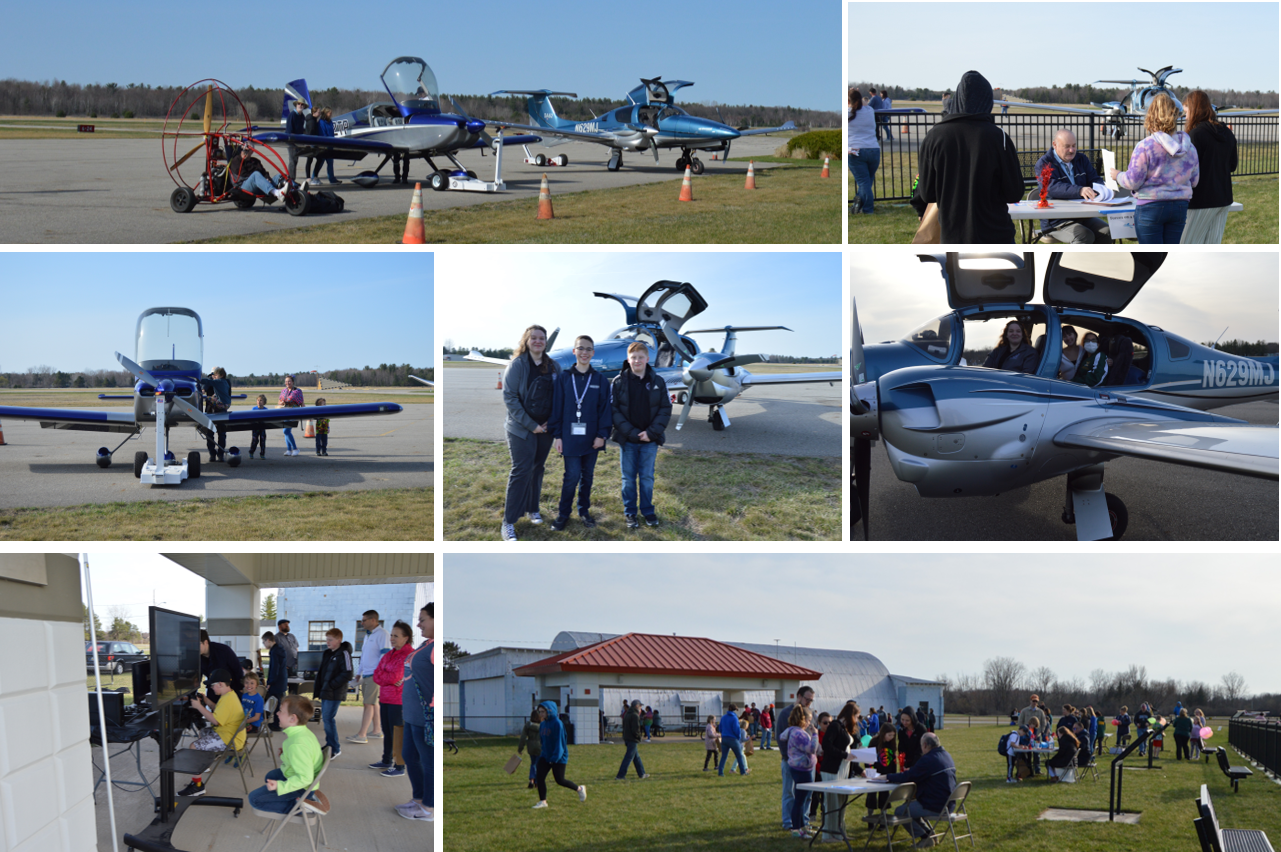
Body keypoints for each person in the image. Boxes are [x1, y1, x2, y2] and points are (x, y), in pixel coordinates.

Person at [915, 70, 1025, 243]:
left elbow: (927, 193)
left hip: (953, 235)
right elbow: (1014, 192)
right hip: (996, 235)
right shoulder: (998, 137)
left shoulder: (934, 136)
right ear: (988, 100)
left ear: (957, 99)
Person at [1108, 92, 1198, 243]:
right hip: (1180, 206)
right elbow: (1194, 181)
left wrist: (1117, 175)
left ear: (1150, 115)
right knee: (1170, 256)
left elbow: (1132, 182)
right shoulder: (1190, 148)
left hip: (1151, 206)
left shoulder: (1145, 146)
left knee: (1151, 258)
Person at [501, 325, 561, 541]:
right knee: (521, 470)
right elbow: (510, 399)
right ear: (526, 341)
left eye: (541, 338)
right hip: (520, 428)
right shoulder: (517, 366)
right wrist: (531, 425)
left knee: (538, 468)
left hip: (545, 429)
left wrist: (549, 423)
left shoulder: (554, 366)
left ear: (546, 342)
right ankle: (508, 521)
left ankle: (532, 509)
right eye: (533, 338)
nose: (538, 341)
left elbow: (560, 396)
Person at [549, 335, 611, 530]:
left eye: (588, 349)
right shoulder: (564, 378)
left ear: (593, 353)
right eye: (580, 348)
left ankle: (584, 511)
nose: (584, 352)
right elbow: (556, 408)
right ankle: (563, 513)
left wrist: (602, 435)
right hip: (569, 438)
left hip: (592, 439)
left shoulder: (600, 380)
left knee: (587, 477)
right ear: (574, 351)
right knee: (571, 476)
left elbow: (605, 411)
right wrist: (557, 436)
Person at [609, 342, 671, 529]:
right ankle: (630, 512)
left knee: (646, 478)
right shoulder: (618, 382)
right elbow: (614, 410)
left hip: (649, 440)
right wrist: (632, 433)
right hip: (628, 440)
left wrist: (651, 433)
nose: (637, 360)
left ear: (647, 359)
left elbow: (665, 408)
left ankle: (647, 511)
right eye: (633, 357)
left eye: (640, 357)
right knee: (628, 479)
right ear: (628, 359)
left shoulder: (658, 382)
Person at [247, 694, 329, 815]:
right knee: (271, 776)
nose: (277, 714)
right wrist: (286, 755)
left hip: (303, 787)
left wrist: (280, 786)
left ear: (292, 719)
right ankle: (296, 799)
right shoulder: (301, 733)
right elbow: (301, 759)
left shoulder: (297, 745)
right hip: (300, 778)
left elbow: (305, 778)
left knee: (254, 799)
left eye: (281, 711)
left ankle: (301, 807)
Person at [1033, 129, 1112, 243]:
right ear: (1054, 145)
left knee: (1107, 231)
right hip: (1056, 220)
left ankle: (1098, 261)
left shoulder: (1081, 159)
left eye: (1074, 146)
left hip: (1083, 215)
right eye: (1067, 146)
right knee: (1084, 236)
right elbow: (1051, 187)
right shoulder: (1044, 163)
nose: (1072, 150)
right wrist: (1079, 190)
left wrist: (1104, 190)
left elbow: (1094, 179)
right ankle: (1076, 261)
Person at [1180, 90, 1237, 244]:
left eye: (1187, 112)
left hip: (1201, 201)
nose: (1186, 117)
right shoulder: (1228, 133)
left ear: (1195, 109)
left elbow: (1187, 171)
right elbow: (1232, 166)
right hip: (1223, 199)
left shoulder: (1195, 135)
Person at [176, 668, 245, 797]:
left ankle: (197, 786)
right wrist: (206, 700)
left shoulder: (228, 700)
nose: (212, 688)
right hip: (229, 733)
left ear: (220, 684)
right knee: (203, 731)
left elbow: (215, 720)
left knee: (194, 746)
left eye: (212, 686)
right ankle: (202, 765)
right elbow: (217, 709)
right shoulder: (229, 695)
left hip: (229, 739)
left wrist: (199, 706)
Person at [879, 732, 957, 843]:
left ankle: (925, 838)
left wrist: (887, 776)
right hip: (949, 804)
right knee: (910, 808)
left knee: (901, 811)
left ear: (925, 745)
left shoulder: (928, 759)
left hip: (935, 805)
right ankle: (929, 834)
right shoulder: (946, 755)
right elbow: (918, 773)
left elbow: (908, 777)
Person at [370, 620, 417, 777]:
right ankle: (386, 760)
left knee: (398, 734)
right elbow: (376, 675)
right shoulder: (389, 654)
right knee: (387, 732)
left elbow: (397, 676)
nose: (392, 638)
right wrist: (388, 677)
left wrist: (388, 677)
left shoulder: (408, 655)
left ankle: (399, 766)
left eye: (396, 636)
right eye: (391, 635)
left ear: (406, 638)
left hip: (399, 701)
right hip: (385, 698)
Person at [531, 700, 586, 809]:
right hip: (546, 756)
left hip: (558, 757)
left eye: (543, 712)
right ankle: (543, 801)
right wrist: (543, 753)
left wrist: (555, 758)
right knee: (539, 777)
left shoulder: (558, 724)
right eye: (540, 712)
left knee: (560, 780)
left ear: (549, 711)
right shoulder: (542, 724)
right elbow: (543, 741)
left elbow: (560, 743)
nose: (541, 714)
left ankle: (579, 789)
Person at [348, 610, 389, 744]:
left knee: (368, 704)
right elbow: (364, 655)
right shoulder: (368, 635)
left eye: (364, 620)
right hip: (366, 673)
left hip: (374, 674)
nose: (362, 623)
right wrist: (359, 672)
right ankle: (377, 730)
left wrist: (378, 672)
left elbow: (384, 655)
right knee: (373, 703)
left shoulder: (382, 634)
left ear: (373, 620)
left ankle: (362, 734)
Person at [313, 628, 353, 759]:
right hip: (326, 691)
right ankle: (329, 744)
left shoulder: (344, 653)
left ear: (339, 640)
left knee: (328, 719)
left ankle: (335, 748)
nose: (327, 642)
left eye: (330, 640)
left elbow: (348, 674)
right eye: (327, 639)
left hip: (334, 692)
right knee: (326, 718)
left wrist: (331, 685)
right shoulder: (328, 654)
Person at [780, 705, 819, 839]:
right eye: (809, 720)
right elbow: (812, 749)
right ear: (803, 720)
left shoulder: (792, 731)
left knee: (800, 800)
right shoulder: (799, 734)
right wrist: (815, 734)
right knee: (800, 801)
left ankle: (802, 827)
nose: (810, 723)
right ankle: (796, 829)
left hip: (798, 767)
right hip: (802, 769)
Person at [847, 87, 880, 216]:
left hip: (855, 151)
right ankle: (858, 203)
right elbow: (864, 103)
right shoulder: (869, 110)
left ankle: (868, 209)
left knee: (863, 182)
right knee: (867, 181)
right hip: (874, 150)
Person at [261, 631, 287, 732]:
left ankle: (277, 724)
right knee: (280, 703)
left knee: (275, 704)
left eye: (264, 642)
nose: (264, 644)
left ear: (268, 640)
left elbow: (274, 669)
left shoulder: (274, 651)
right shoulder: (280, 649)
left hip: (276, 682)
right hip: (282, 680)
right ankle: (279, 722)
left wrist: (269, 682)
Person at [616, 700, 648, 780]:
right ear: (637, 706)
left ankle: (642, 773)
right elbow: (635, 729)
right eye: (640, 706)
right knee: (629, 757)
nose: (641, 708)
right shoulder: (635, 715)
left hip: (627, 737)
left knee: (636, 757)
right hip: (632, 739)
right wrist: (639, 737)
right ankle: (620, 775)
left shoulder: (627, 713)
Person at [278, 376, 305, 457]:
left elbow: (302, 403)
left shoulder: (298, 391)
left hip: (294, 411)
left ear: (293, 382)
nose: (287, 383)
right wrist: (281, 403)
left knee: (286, 431)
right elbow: (279, 401)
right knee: (287, 432)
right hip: (285, 411)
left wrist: (304, 413)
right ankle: (289, 450)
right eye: (286, 381)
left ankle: (295, 449)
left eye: (289, 381)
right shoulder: (283, 391)